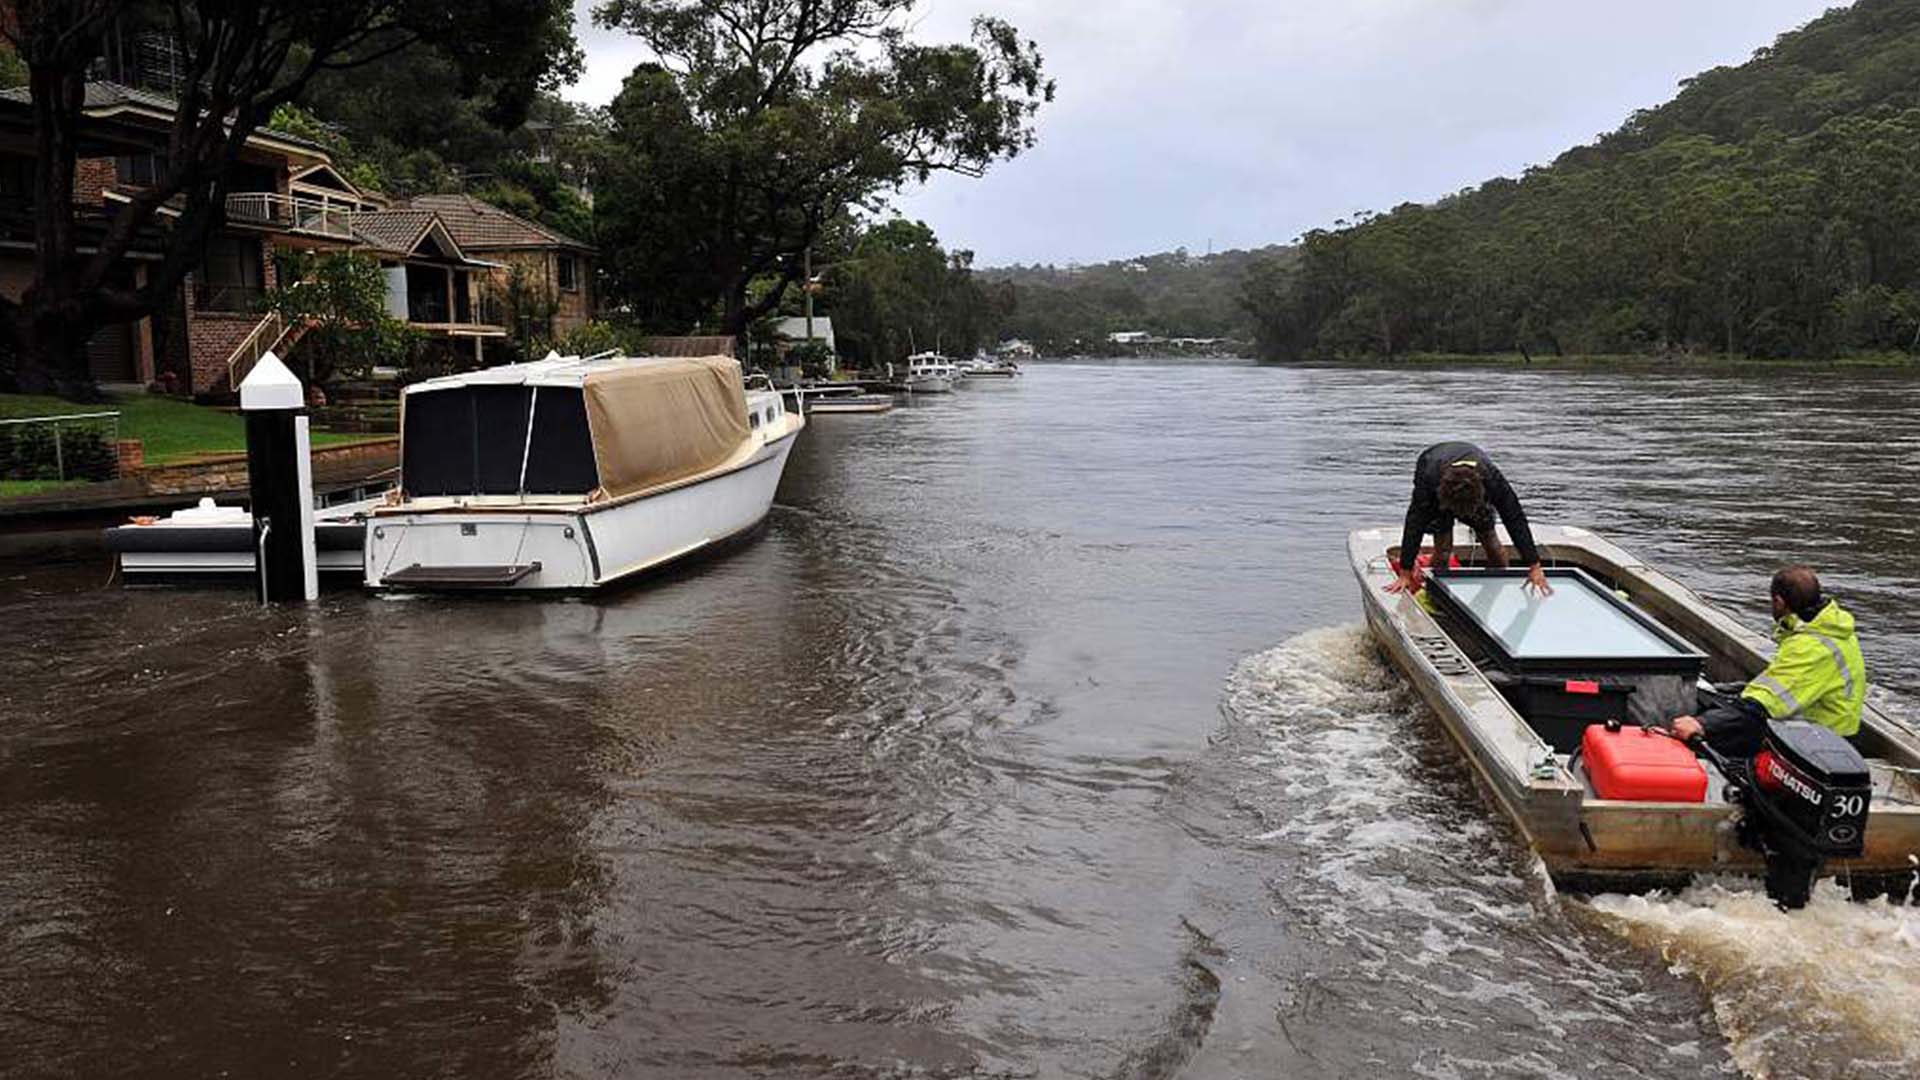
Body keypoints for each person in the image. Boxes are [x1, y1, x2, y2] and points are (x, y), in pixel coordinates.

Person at [1671, 566, 1867, 757]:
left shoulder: (1810, 647)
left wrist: (1702, 725)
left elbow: (1763, 705)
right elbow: (1797, 685)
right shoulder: (1831, 628)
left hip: (1818, 742)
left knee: (1709, 735)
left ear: (1779, 601)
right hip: (1826, 730)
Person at [1388, 441, 1552, 596]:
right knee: (1443, 548)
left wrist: (1534, 565)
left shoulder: (1492, 480)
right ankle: (1436, 593)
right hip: (1435, 474)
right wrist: (1405, 572)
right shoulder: (1429, 482)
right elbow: (1414, 524)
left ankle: (1497, 590)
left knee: (1491, 543)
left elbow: (1514, 518)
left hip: (1473, 491)